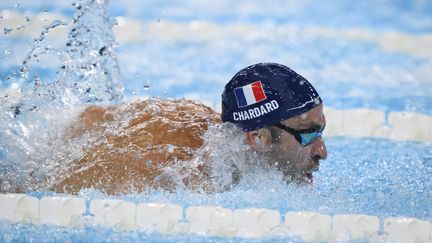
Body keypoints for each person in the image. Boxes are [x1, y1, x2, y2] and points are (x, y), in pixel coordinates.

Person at [52, 62, 327, 195]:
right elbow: (46, 192)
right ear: (257, 138)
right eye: (308, 134)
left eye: (321, 132)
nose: (322, 152)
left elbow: (91, 117)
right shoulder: (173, 167)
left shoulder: (210, 132)